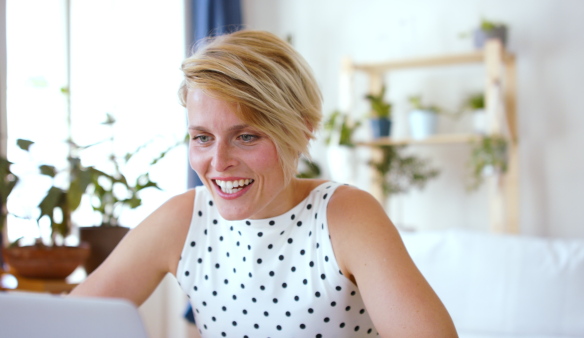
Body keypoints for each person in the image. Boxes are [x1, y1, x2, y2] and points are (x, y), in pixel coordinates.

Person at [70, 29, 458, 337]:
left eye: (247, 136)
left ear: (302, 133)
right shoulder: (184, 219)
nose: (218, 163)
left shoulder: (344, 215)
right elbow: (67, 323)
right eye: (202, 137)